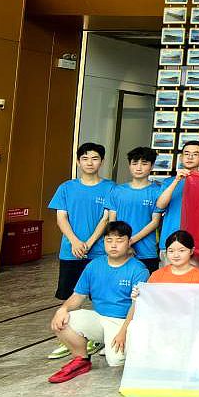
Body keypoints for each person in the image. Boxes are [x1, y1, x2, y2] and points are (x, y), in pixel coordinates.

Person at [47, 221, 149, 383]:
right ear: (104, 242)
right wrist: (63, 309)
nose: (113, 245)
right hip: (99, 317)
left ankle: (134, 347)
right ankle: (81, 359)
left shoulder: (138, 270)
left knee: (116, 361)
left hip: (123, 322)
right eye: (109, 240)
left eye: (119, 240)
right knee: (63, 321)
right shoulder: (94, 266)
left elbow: (136, 307)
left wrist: (123, 332)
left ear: (129, 242)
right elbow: (78, 296)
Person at [47, 142, 113, 359]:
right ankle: (68, 339)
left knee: (100, 296)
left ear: (102, 161)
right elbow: (61, 218)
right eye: (85, 158)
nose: (89, 163)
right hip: (71, 251)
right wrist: (75, 242)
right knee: (69, 296)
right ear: (78, 161)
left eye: (94, 158)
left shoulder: (110, 188)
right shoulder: (66, 188)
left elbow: (106, 219)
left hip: (99, 252)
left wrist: (90, 242)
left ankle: (97, 337)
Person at [106, 147, 164, 273]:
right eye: (135, 163)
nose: (139, 168)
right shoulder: (117, 191)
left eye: (144, 163)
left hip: (147, 251)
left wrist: (130, 242)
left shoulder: (158, 191)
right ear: (129, 165)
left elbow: (155, 222)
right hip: (119, 250)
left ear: (152, 166)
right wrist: (122, 244)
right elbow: (112, 222)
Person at [155, 140, 199, 263]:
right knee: (167, 275)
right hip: (170, 241)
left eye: (195, 154)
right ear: (181, 157)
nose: (190, 157)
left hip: (198, 243)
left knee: (196, 275)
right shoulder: (168, 182)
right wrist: (176, 180)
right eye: (186, 154)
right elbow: (160, 205)